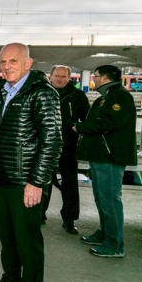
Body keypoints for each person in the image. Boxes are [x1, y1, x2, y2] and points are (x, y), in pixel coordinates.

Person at [0, 43, 61, 282]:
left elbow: (52, 140)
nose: (7, 66)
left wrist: (36, 182)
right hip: (4, 180)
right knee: (8, 239)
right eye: (3, 62)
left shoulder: (42, 93)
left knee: (28, 245)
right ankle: (12, 281)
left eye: (13, 61)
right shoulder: (6, 90)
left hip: (25, 183)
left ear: (28, 63)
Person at [75, 65, 136, 258]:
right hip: (101, 155)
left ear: (105, 78)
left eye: (96, 76)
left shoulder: (119, 96)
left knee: (110, 200)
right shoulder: (107, 96)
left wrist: (82, 127)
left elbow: (114, 122)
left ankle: (114, 244)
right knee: (102, 198)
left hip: (110, 156)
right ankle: (105, 233)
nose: (94, 79)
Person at [42, 65, 90, 234]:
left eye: (64, 76)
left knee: (70, 183)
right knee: (42, 181)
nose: (60, 79)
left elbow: (87, 119)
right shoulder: (42, 93)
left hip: (68, 145)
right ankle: (39, 213)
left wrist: (78, 128)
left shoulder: (78, 96)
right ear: (50, 76)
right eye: (57, 76)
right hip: (44, 145)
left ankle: (69, 219)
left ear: (69, 78)